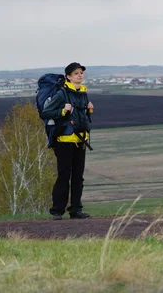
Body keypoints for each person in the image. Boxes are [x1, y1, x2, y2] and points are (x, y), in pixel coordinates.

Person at [42, 62, 94, 220]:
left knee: (78, 176)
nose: (80, 75)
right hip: (64, 140)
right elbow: (47, 112)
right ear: (68, 77)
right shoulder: (62, 93)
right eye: (76, 73)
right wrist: (63, 110)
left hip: (80, 140)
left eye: (81, 73)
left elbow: (81, 116)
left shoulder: (83, 93)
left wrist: (89, 110)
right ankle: (57, 210)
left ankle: (76, 210)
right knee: (64, 175)